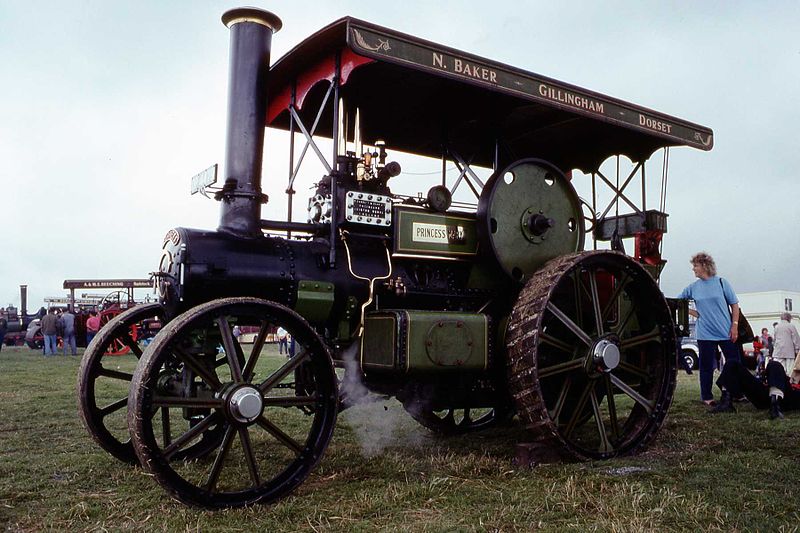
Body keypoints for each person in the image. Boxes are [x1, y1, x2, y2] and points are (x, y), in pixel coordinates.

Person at [677, 252, 741, 406]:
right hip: (705, 333)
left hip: (725, 331)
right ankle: (707, 397)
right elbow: (679, 302)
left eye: (695, 266)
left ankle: (737, 393)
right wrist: (695, 313)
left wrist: (735, 325)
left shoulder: (721, 283)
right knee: (706, 367)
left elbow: (734, 305)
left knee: (735, 363)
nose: (693, 269)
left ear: (704, 266)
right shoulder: (693, 287)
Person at [710, 358, 800, 419]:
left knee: (774, 364)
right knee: (731, 363)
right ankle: (726, 401)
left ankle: (776, 405)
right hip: (765, 394)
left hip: (788, 397)